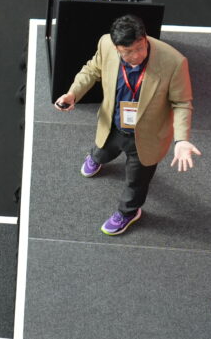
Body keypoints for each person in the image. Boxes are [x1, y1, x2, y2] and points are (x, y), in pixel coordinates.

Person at [54, 14, 201, 235]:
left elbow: (181, 103)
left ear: (145, 38)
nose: (136, 56)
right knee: (101, 151)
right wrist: (73, 93)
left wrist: (181, 139)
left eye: (140, 48)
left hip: (147, 137)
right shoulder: (106, 44)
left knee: (136, 182)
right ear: (117, 48)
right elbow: (92, 70)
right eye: (128, 52)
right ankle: (96, 158)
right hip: (113, 124)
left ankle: (129, 212)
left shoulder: (174, 61)